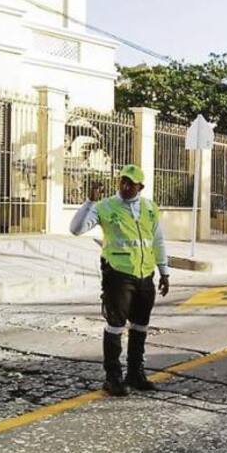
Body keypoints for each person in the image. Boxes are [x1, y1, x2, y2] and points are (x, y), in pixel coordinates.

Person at [70, 165, 170, 397]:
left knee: (140, 325)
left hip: (145, 275)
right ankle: (112, 377)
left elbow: (158, 241)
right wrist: (89, 202)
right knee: (115, 325)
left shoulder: (150, 208)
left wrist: (164, 271)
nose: (125, 187)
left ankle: (135, 373)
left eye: (130, 183)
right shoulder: (104, 206)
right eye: (122, 182)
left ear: (140, 187)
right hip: (118, 274)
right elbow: (76, 229)